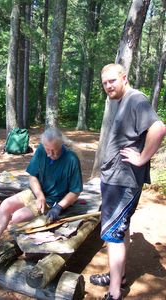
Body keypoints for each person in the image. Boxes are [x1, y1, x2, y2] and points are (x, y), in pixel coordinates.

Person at [89, 63, 166, 300]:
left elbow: (159, 128)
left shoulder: (135, 99)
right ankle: (118, 278)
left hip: (123, 181)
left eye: (112, 80)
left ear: (124, 78)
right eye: (105, 83)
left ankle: (114, 292)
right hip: (116, 179)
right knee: (121, 229)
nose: (108, 86)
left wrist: (142, 158)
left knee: (112, 234)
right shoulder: (122, 102)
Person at [0, 127, 83, 273]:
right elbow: (32, 176)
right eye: (47, 149)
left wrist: (59, 207)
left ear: (61, 144)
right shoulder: (42, 151)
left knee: (18, 217)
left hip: (53, 200)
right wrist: (40, 194)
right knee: (5, 204)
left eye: (54, 150)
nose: (50, 154)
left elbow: (75, 191)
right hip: (37, 193)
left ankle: (24, 251)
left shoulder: (71, 159)